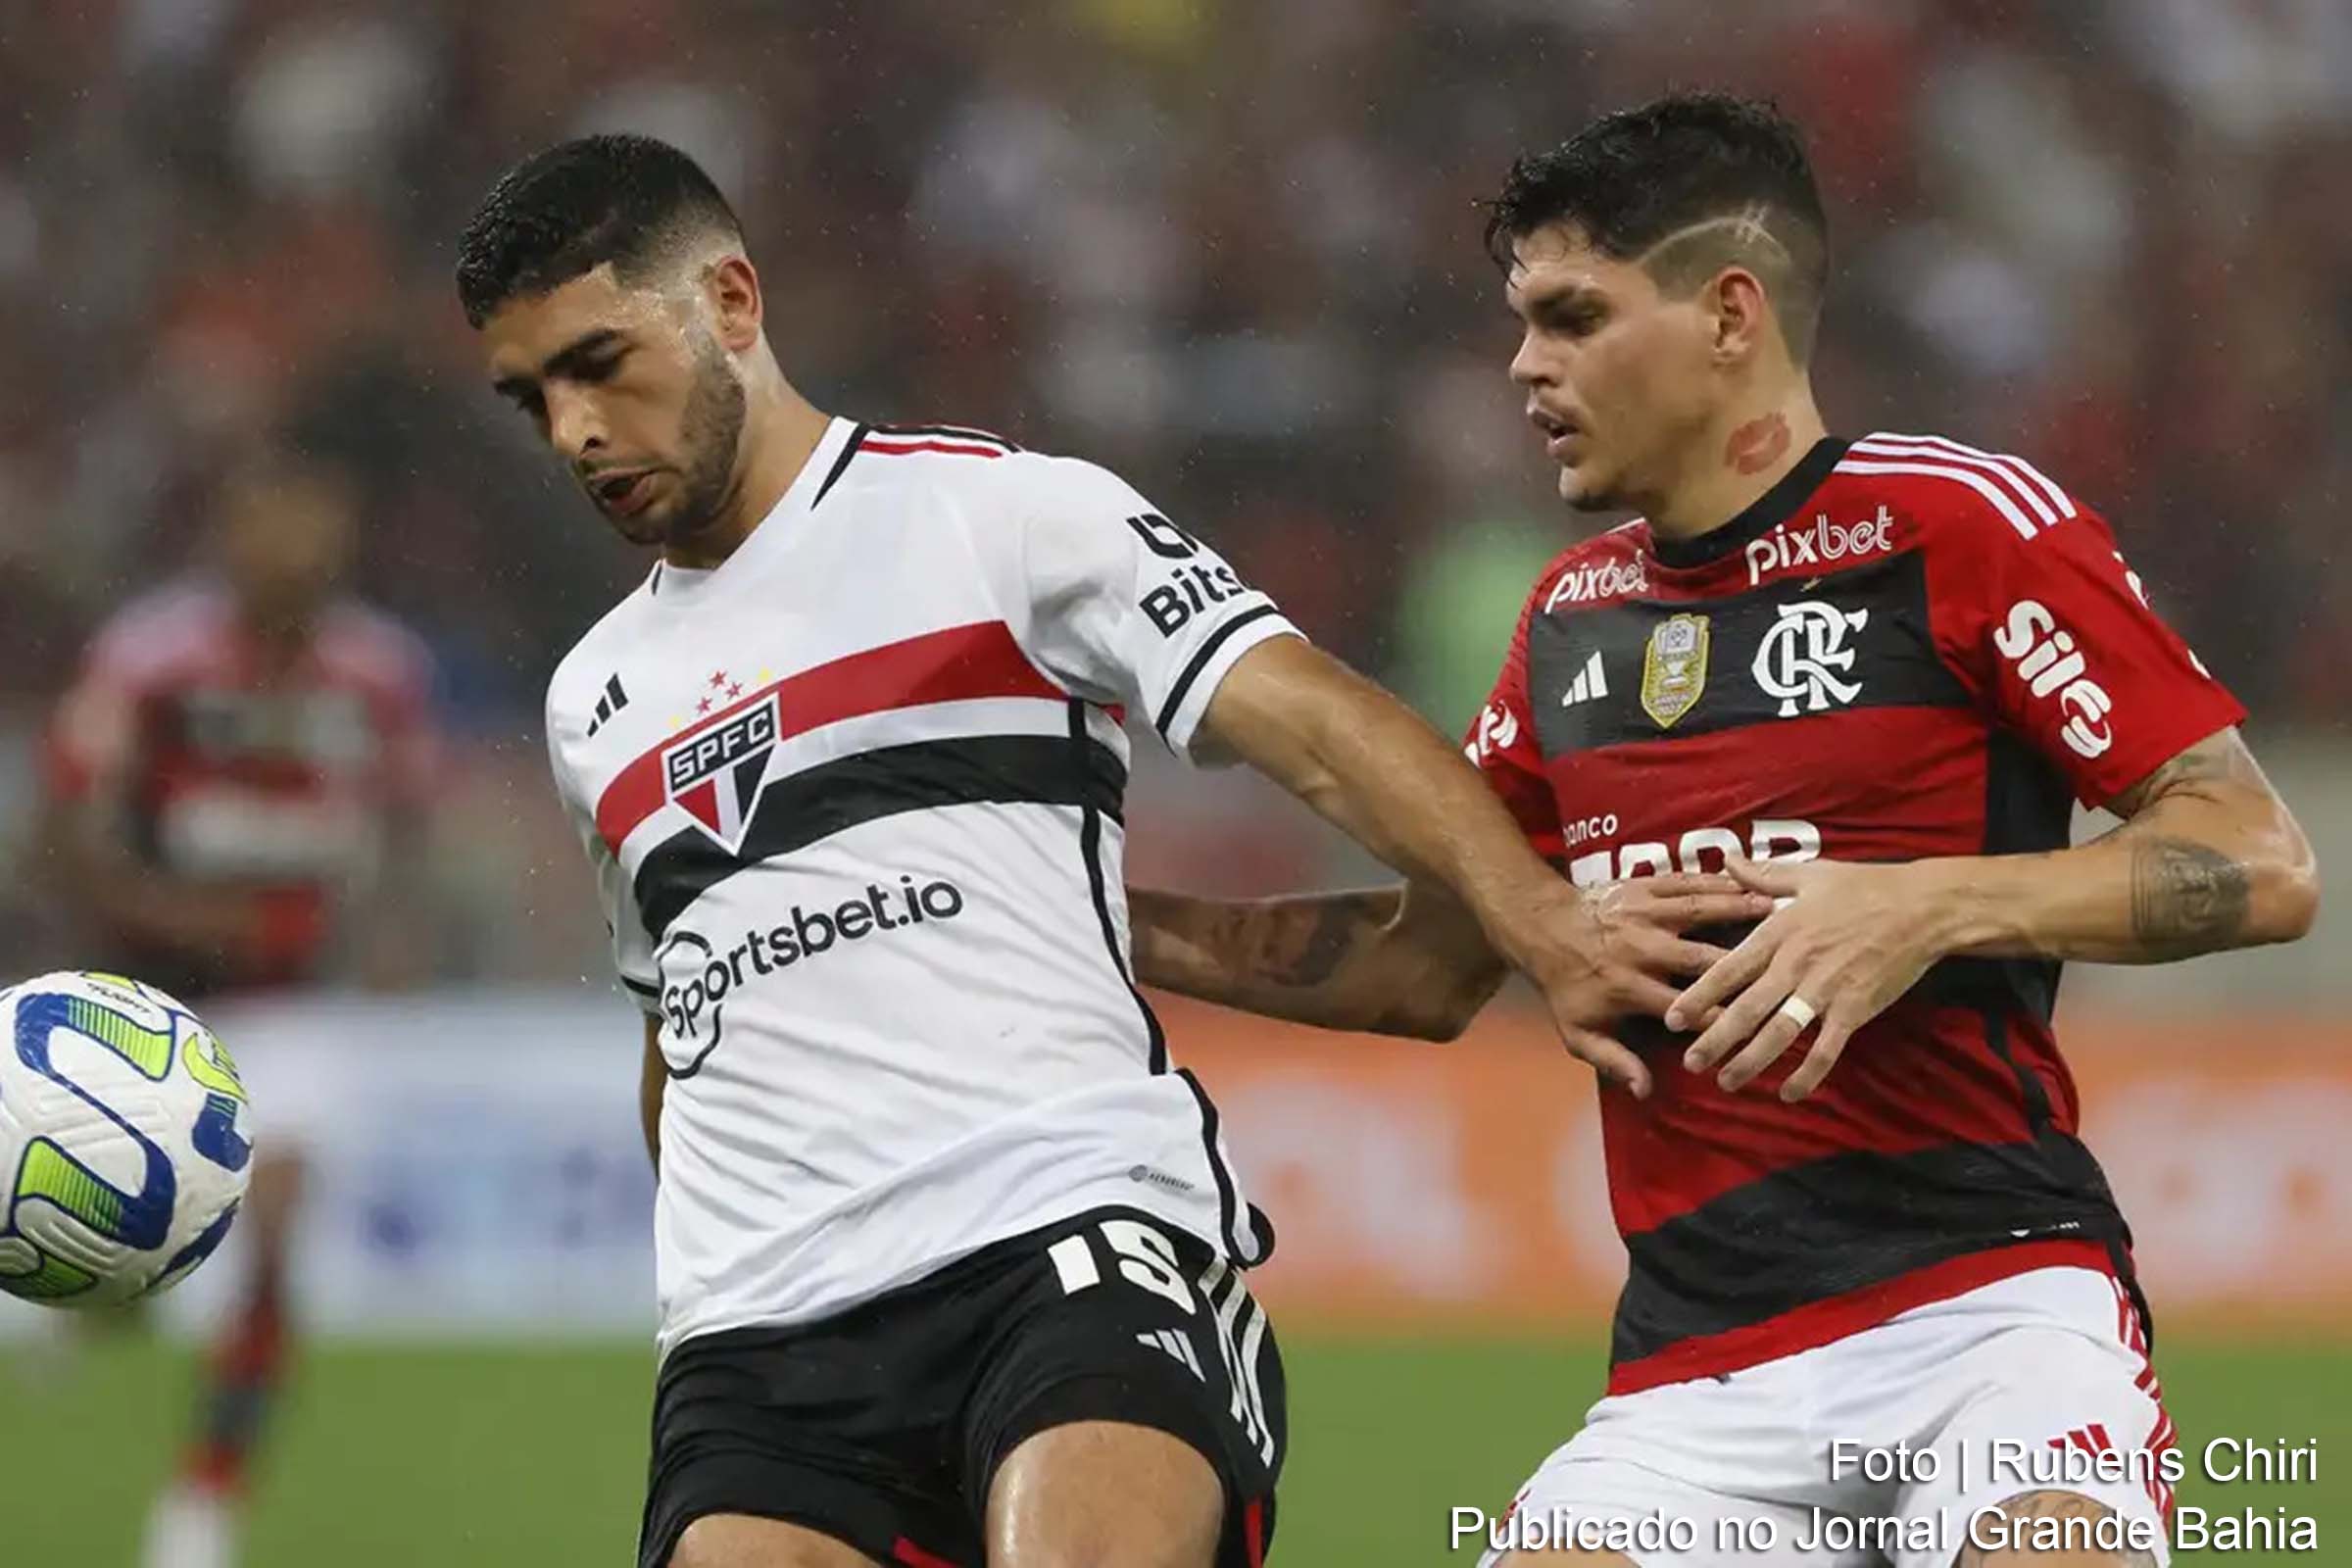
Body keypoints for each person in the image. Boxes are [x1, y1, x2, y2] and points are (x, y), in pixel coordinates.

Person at [452, 132, 1767, 1568]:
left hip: (1061, 1245)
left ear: (731, 301)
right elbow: (683, 1014)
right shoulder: (593, 701)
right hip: (760, 1343)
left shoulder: (1001, 519)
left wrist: (1539, 920)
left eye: (600, 362)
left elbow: (1311, 721)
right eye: (533, 400)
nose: (574, 431)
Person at [1126, 94, 2318, 1568]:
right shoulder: (1568, 626)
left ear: (1728, 315)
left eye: (1572, 317)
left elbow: (2261, 861)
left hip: (1991, 1317)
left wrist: (1920, 906)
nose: (1525, 366)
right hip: (1696, 1377)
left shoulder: (1956, 528)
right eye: (1521, 323)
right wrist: (1102, 922)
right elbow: (1423, 970)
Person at [38, 451, 441, 1568]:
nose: (294, 577)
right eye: (274, 554)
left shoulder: (377, 672)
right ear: (233, 552)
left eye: (314, 560)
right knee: (128, 1255)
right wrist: (172, 911)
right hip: (151, 1001)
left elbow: (408, 821)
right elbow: (68, 828)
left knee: (270, 1241)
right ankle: (92, 1292)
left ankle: (202, 1501)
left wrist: (398, 927)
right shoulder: (150, 659)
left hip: (292, 1001)